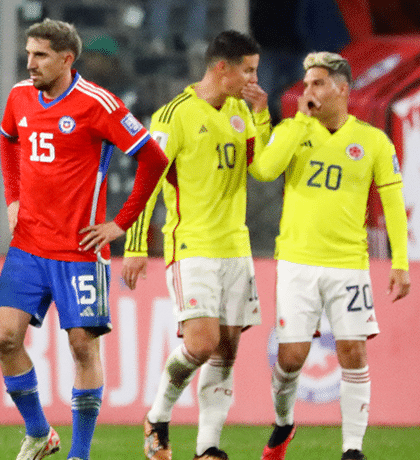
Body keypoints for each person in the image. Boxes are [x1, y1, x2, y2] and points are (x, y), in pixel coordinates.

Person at [0, 18, 169, 460]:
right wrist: (13, 198)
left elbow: (154, 158)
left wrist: (122, 223)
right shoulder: (18, 96)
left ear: (67, 59)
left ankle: (80, 453)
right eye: (28, 53)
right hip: (29, 245)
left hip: (80, 249)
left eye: (40, 56)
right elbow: (7, 139)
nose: (29, 63)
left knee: (81, 346)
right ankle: (39, 432)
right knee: (4, 338)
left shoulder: (98, 104)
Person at [252, 52, 410, 460]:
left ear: (341, 88)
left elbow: (393, 202)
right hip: (297, 262)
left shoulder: (373, 141)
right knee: (290, 359)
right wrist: (299, 121)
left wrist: (399, 263)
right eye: (305, 85)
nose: (308, 92)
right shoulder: (294, 129)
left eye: (317, 84)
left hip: (348, 265)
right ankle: (284, 422)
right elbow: (265, 169)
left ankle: (352, 449)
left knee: (353, 351)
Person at [122, 30, 270, 460]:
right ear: (221, 68)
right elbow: (147, 183)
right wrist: (135, 245)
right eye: (248, 70)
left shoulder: (242, 111)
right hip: (192, 246)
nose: (253, 79)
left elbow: (261, 169)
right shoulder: (173, 116)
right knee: (201, 343)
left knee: (226, 349)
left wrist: (262, 115)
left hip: (235, 249)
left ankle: (208, 448)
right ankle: (158, 416)